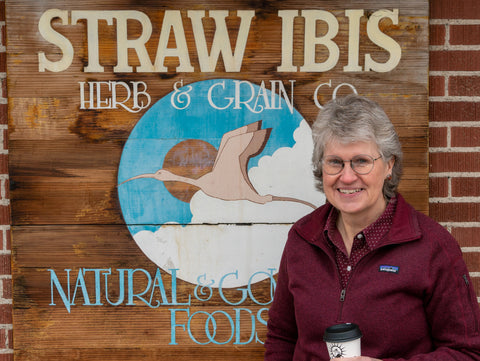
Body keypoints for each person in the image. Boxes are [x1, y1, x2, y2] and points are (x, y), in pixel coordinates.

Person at [264, 94, 480, 360]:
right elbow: (282, 337)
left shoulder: (432, 246)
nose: (347, 176)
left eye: (361, 161)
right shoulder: (302, 237)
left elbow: (468, 351)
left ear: (389, 165)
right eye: (335, 162)